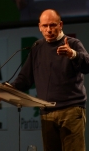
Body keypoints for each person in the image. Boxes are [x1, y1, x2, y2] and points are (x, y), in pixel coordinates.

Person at [11, 9, 88, 151]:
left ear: (61, 25)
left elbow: (87, 65)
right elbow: (25, 79)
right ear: (39, 27)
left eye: (52, 25)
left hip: (71, 111)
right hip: (47, 113)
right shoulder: (37, 48)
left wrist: (73, 54)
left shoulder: (72, 44)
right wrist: (5, 91)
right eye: (45, 26)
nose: (49, 30)